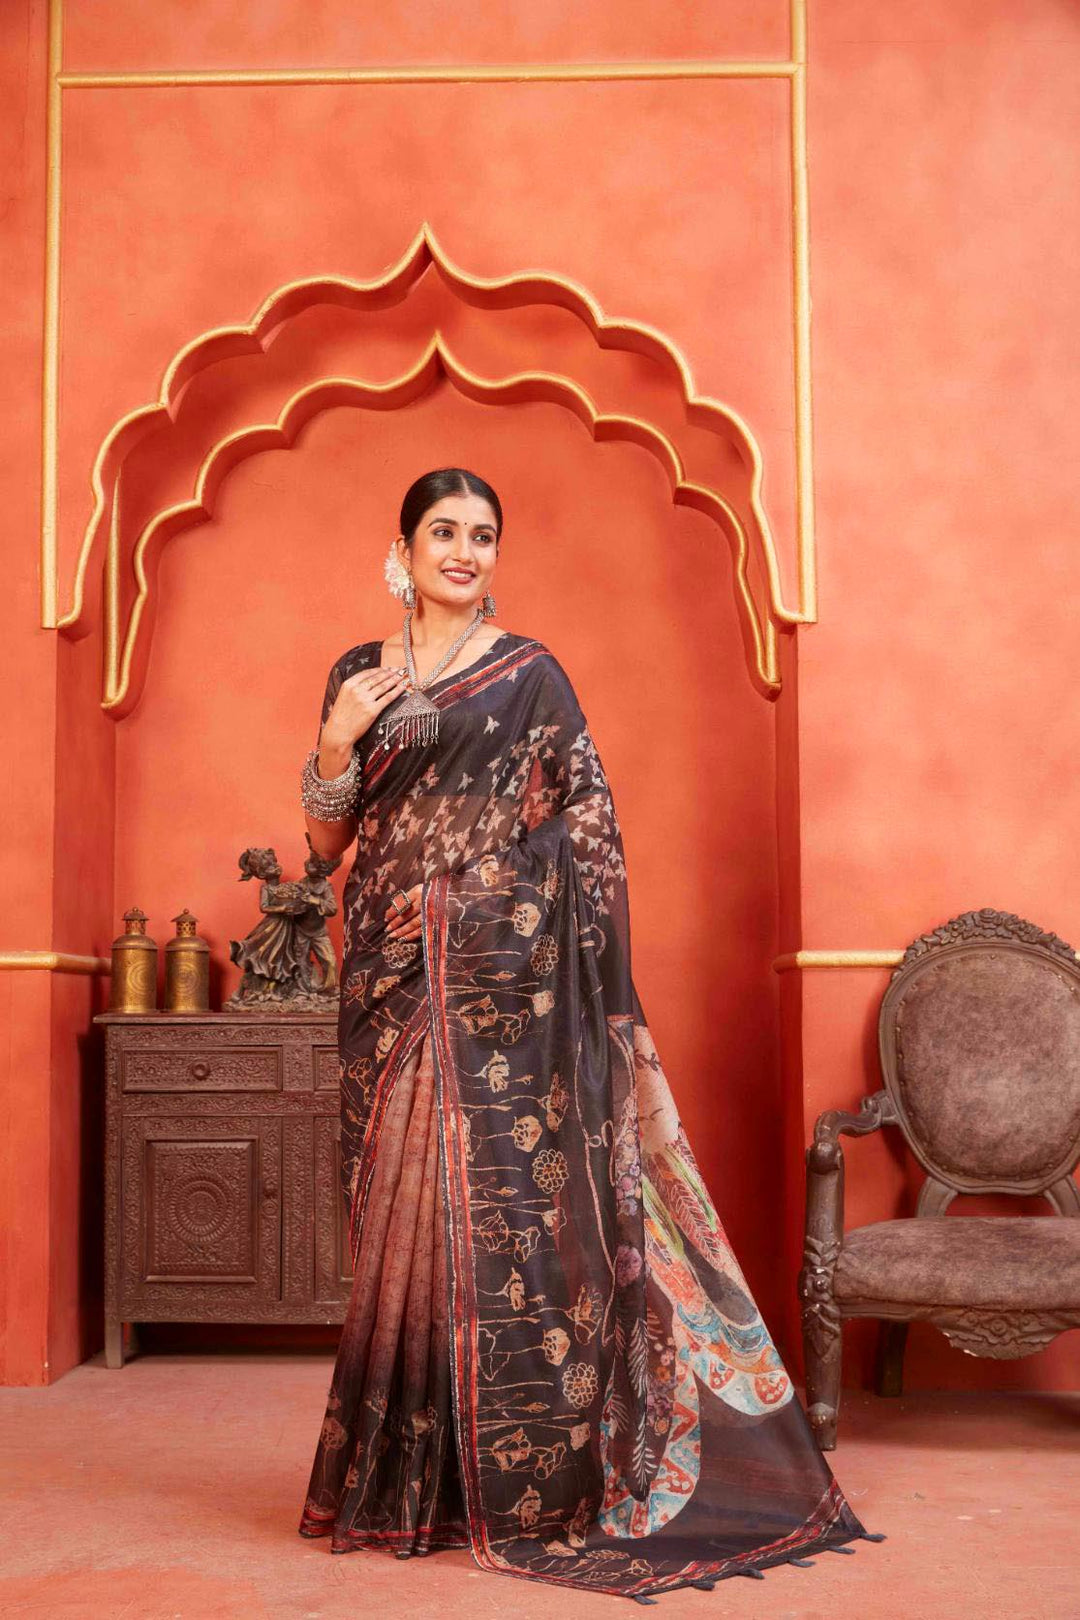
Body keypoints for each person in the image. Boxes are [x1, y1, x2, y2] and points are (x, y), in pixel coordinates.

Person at [297, 468, 880, 1600]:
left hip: (499, 995)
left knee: (502, 1235)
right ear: (403, 545)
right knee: (394, 1243)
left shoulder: (533, 676)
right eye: (443, 533)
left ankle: (520, 1486)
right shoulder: (356, 677)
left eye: (482, 537)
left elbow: (588, 832)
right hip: (383, 991)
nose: (463, 553)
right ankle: (405, 1482)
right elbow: (324, 854)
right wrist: (335, 740)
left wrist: (473, 906)